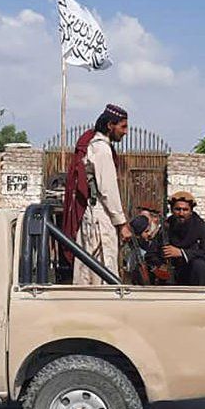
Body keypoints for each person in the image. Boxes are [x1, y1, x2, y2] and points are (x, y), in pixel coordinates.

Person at [62, 104, 132, 285]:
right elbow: (108, 190)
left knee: (89, 266)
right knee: (102, 266)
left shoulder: (96, 146)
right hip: (99, 216)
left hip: (94, 214)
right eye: (123, 127)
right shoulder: (101, 149)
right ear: (110, 125)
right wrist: (122, 224)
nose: (126, 132)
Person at [163, 191, 205, 286]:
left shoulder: (203, 228)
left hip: (197, 277)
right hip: (172, 275)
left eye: (185, 210)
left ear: (191, 211)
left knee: (199, 264)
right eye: (177, 209)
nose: (181, 213)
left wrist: (182, 253)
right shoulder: (166, 227)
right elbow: (153, 253)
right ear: (172, 210)